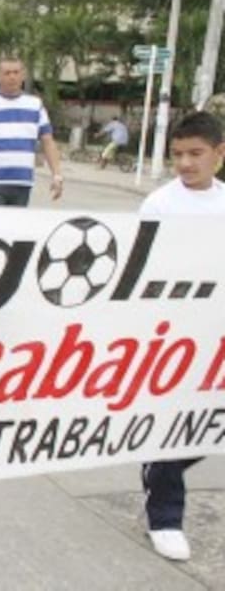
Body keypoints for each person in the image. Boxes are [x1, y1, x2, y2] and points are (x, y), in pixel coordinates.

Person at [137, 111, 225, 562]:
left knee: (206, 428)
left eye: (196, 154)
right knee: (173, 425)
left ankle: (154, 466)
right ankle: (165, 516)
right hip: (172, 330)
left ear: (219, 154)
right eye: (178, 155)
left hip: (217, 333)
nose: (186, 164)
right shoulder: (160, 204)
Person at [0, 57, 63, 206]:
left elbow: (48, 142)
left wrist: (57, 175)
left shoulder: (35, 105)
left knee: (16, 228)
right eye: (7, 73)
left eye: (16, 72)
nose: (12, 77)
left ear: (23, 75)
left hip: (22, 182)